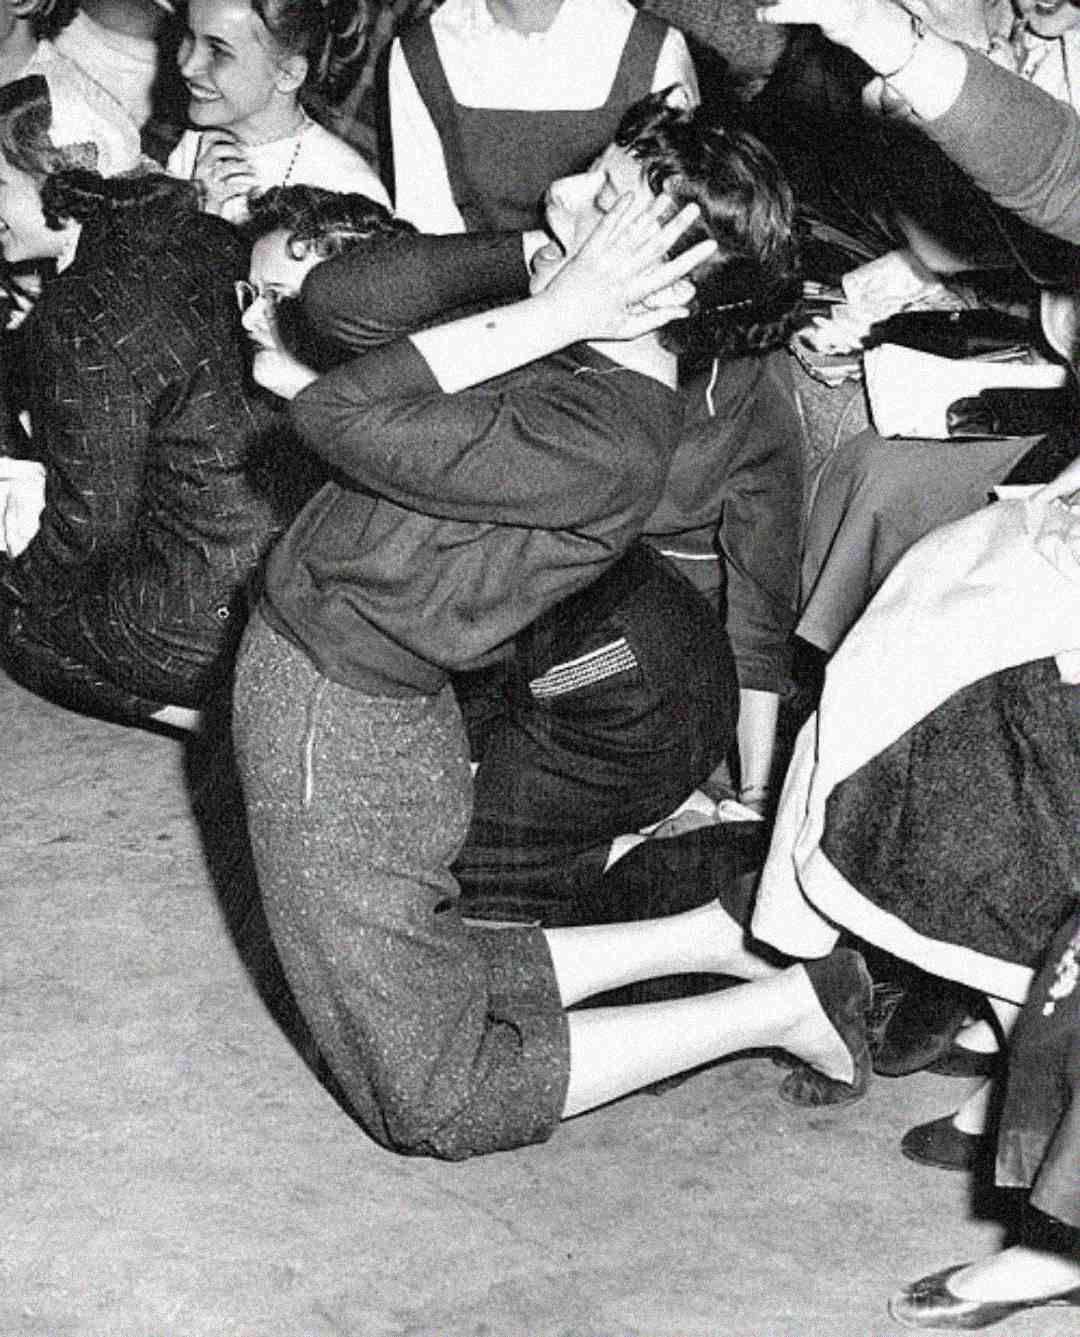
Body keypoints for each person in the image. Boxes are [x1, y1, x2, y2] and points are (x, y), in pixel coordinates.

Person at [228, 100, 869, 1160]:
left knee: (438, 1100)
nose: (564, 193)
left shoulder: (604, 436)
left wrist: (555, 307)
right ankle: (716, 933)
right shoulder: (573, 337)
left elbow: (331, 413)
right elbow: (336, 304)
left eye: (605, 202)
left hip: (341, 714)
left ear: (662, 289)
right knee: (428, 970)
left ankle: (778, 1011)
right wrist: (543, 264)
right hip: (341, 688)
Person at [0, 71, 307, 728]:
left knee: (19, 620)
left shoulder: (79, 306)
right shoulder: (207, 233)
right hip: (295, 583)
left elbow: (90, 527)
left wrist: (19, 582)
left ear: (55, 179)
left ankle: (213, 725)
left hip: (205, 626)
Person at [386, 0, 698, 234]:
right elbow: (427, 229)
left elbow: (672, 228)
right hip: (469, 310)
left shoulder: (654, 48)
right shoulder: (419, 52)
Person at [166, 0, 387, 223]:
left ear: (287, 74)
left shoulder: (346, 186)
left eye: (218, 51)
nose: (187, 66)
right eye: (189, 37)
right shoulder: (195, 143)